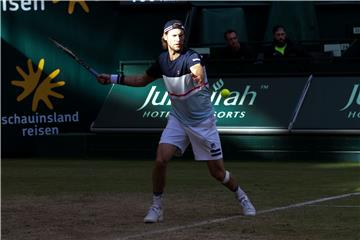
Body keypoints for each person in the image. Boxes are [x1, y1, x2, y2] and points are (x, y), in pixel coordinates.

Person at [96, 19, 256, 223]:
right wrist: (111, 78)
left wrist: (198, 75)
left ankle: (242, 196)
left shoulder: (192, 56)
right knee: (161, 159)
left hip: (203, 123)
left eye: (181, 35)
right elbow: (141, 80)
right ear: (165, 37)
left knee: (217, 173)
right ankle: (156, 206)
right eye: (174, 35)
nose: (178, 39)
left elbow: (197, 68)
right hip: (178, 119)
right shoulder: (162, 60)